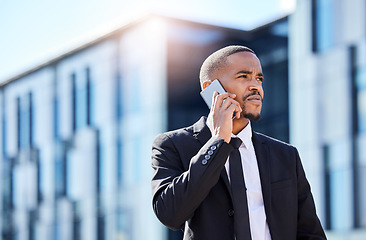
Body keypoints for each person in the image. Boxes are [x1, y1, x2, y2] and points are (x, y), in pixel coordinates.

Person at [151, 45, 326, 240]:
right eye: (243, 76)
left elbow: (310, 233)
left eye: (259, 78)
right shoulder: (172, 144)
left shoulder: (285, 155)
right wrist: (218, 141)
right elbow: (169, 214)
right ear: (211, 89)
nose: (255, 86)